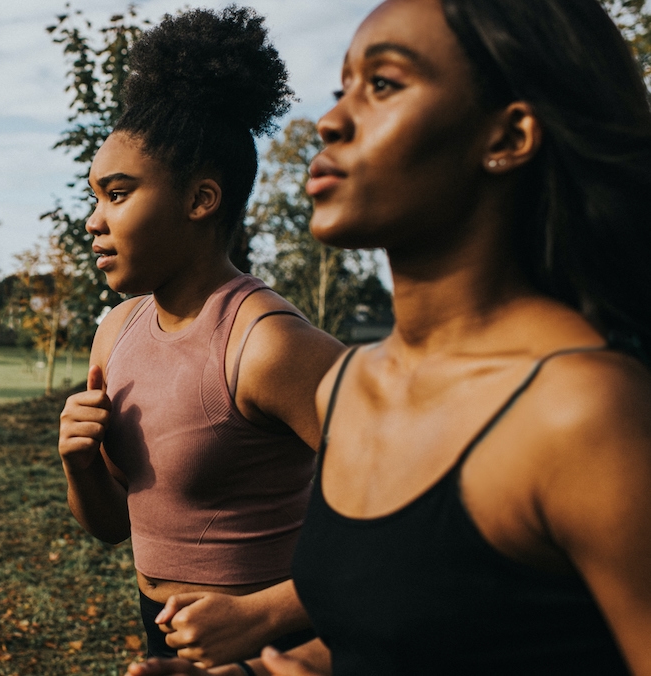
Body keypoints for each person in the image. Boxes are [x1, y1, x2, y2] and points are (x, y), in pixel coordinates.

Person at [129, 0, 651, 674]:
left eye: (384, 84)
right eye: (341, 87)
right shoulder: (352, 382)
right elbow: (393, 634)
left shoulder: (582, 412)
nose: (331, 120)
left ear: (508, 136)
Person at [57, 6, 344, 668]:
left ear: (201, 199)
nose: (94, 222)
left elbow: (422, 514)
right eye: (94, 197)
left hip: (277, 647)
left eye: (118, 194)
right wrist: (78, 462)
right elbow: (107, 527)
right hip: (163, 633)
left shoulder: (267, 345)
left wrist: (267, 615)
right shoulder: (117, 329)